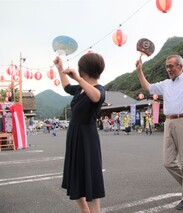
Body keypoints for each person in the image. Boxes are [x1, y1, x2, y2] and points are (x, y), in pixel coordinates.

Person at [135, 35, 183, 210]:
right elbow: (148, 88)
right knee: (168, 162)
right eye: (167, 66)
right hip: (169, 122)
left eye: (171, 66)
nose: (168, 69)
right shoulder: (166, 84)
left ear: (180, 67)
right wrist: (139, 71)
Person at [54, 52, 106, 213]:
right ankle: (85, 210)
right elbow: (67, 87)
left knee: (90, 178)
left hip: (87, 139)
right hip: (74, 136)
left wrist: (78, 79)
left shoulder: (98, 89)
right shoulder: (79, 89)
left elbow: (97, 97)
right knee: (74, 175)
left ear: (83, 69)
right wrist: (60, 68)